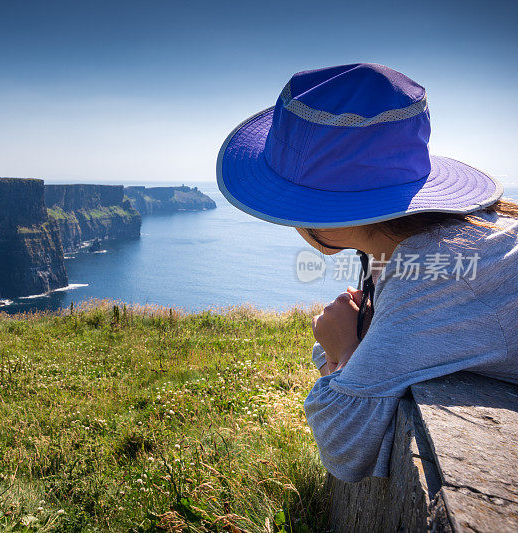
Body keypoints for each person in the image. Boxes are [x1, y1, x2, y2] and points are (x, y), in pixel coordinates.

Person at [216, 63, 518, 483]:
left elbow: (342, 446)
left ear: (326, 218)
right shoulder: (446, 241)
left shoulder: (435, 274)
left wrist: (341, 350)